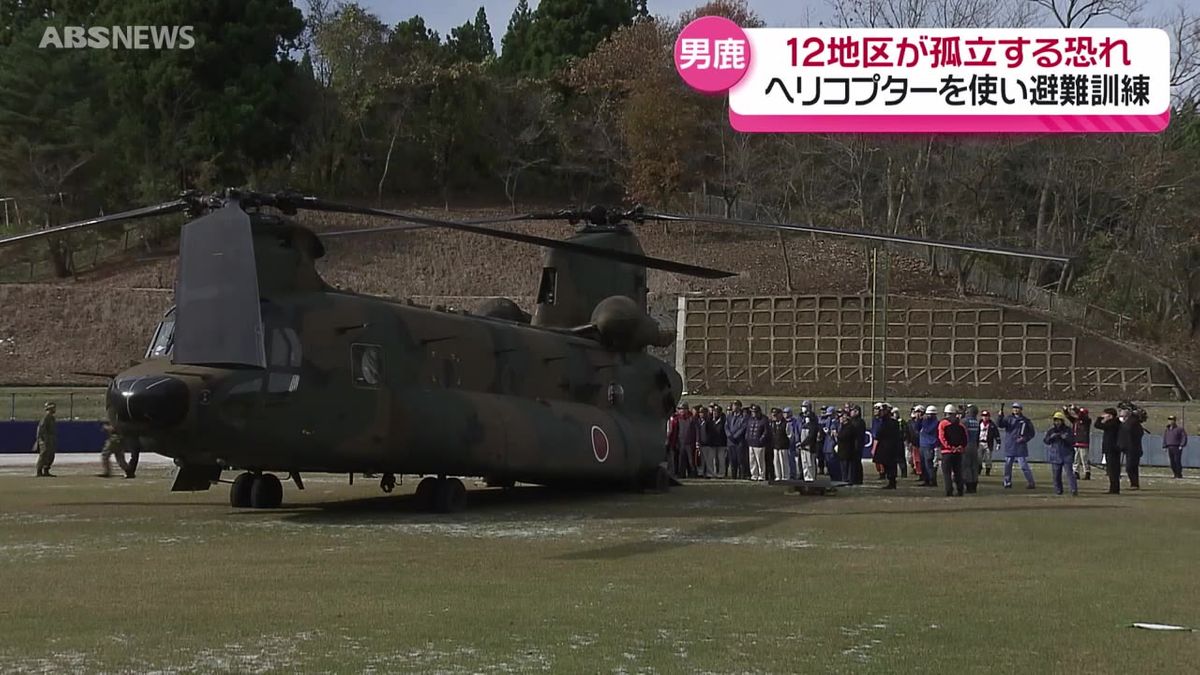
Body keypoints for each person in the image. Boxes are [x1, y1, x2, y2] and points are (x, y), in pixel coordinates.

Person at [998, 402, 1037, 490]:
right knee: (1008, 465)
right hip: (1010, 445)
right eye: (1014, 408)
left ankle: (1031, 482)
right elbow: (1000, 425)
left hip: (1020, 446)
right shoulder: (1008, 419)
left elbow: (1031, 433)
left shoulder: (1026, 421)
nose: (1015, 409)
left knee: (1024, 465)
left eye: (1017, 408)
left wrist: (1024, 439)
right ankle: (1007, 482)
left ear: (1020, 409)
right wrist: (1000, 417)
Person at [1044, 412, 1078, 496]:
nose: (1057, 422)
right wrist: (1052, 437)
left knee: (1069, 473)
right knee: (1056, 475)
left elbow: (1073, 441)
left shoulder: (1068, 430)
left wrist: (1065, 438)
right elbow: (1046, 441)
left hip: (1067, 454)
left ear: (1062, 421)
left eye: (1059, 420)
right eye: (1055, 420)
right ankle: (1058, 490)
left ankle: (1073, 489)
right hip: (1055, 455)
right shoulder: (1051, 431)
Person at [937, 404, 967, 497]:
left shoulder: (943, 423)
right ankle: (960, 490)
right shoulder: (961, 424)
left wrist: (949, 447)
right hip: (958, 452)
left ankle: (949, 491)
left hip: (947, 452)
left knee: (947, 474)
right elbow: (965, 438)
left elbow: (941, 437)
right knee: (958, 472)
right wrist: (960, 447)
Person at [1094, 407, 1123, 494]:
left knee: (1113, 470)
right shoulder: (1115, 423)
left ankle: (1114, 489)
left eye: (1105, 414)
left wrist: (1099, 418)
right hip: (1113, 449)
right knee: (1112, 470)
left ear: (1110, 416)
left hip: (1112, 449)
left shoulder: (1112, 423)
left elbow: (1097, 425)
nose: (1103, 416)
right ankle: (1114, 488)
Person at [874, 404, 902, 489]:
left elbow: (879, 433)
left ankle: (892, 481)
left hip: (888, 447)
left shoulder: (888, 422)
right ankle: (891, 481)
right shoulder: (889, 422)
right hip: (888, 447)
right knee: (889, 464)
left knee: (890, 465)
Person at [1117, 407, 1145, 490]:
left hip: (1133, 448)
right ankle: (1134, 484)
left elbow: (1135, 434)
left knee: (1130, 467)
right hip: (1129, 448)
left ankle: (1134, 484)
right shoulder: (1128, 423)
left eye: (1122, 415)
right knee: (1132, 467)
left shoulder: (1132, 423)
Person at [837, 406, 867, 484]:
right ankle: (854, 479)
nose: (850, 412)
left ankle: (856, 479)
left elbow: (856, 435)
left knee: (855, 464)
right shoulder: (853, 422)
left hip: (856, 446)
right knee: (853, 464)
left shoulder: (858, 422)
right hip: (853, 446)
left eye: (852, 411)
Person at [1064, 406, 1092, 481]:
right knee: (1076, 459)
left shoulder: (1087, 421)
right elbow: (1068, 417)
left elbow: (1082, 416)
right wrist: (1066, 410)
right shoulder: (1075, 421)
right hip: (1076, 442)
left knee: (1084, 459)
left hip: (1083, 442)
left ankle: (1087, 472)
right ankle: (1076, 472)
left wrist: (1075, 408)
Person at [795, 401, 821, 481]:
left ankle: (811, 478)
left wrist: (803, 443)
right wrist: (799, 443)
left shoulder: (813, 423)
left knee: (810, 463)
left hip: (810, 446)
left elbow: (811, 436)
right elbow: (798, 431)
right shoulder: (802, 422)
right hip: (803, 446)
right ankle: (806, 478)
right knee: (804, 463)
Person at [961, 405, 982, 493]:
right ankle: (974, 485)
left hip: (966, 444)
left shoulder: (965, 421)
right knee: (974, 466)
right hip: (974, 445)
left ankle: (969, 486)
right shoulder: (976, 422)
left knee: (966, 466)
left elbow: (962, 433)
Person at [33, 401, 58, 477]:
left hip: (50, 439)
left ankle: (46, 470)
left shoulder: (52, 418)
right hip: (45, 440)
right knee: (44, 455)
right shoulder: (46, 418)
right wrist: (42, 439)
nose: (54, 409)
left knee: (51, 455)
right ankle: (39, 471)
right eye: (53, 408)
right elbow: (41, 429)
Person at [918, 405, 940, 487]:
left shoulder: (935, 422)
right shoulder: (924, 421)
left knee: (929, 464)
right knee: (923, 464)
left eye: (931, 414)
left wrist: (923, 421)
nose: (929, 416)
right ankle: (926, 480)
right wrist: (918, 420)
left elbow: (928, 430)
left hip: (930, 445)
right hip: (922, 444)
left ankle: (932, 480)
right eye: (928, 414)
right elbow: (916, 428)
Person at [746, 405, 770, 481]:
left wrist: (761, 439)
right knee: (752, 460)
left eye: (755, 412)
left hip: (759, 444)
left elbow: (766, 431)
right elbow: (748, 430)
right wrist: (747, 437)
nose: (753, 413)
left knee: (760, 461)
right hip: (751, 443)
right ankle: (754, 475)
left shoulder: (764, 419)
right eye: (752, 412)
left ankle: (761, 475)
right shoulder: (750, 419)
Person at [726, 400, 748, 479]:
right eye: (733, 405)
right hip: (730, 442)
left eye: (735, 405)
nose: (733, 407)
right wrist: (729, 435)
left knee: (740, 461)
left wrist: (735, 436)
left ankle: (742, 476)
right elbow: (726, 427)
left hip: (739, 442)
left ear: (739, 406)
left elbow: (743, 428)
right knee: (732, 461)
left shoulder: (743, 417)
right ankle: (733, 476)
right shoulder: (729, 416)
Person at [770, 408, 793, 482]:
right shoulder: (773, 424)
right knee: (776, 462)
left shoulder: (786, 424)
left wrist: (786, 443)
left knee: (784, 462)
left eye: (776, 415)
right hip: (775, 446)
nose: (775, 417)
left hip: (783, 447)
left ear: (780, 414)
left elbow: (790, 436)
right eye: (774, 415)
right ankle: (778, 476)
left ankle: (785, 476)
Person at [822, 406, 843, 481]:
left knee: (834, 465)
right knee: (828, 465)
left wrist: (831, 432)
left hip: (832, 446)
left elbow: (837, 434)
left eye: (830, 415)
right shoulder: (827, 422)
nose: (829, 417)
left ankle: (837, 479)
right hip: (827, 446)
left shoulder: (837, 422)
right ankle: (833, 478)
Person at [696, 407, 717, 479]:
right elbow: (697, 433)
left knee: (709, 460)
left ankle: (709, 473)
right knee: (701, 460)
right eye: (700, 413)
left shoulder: (709, 422)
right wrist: (698, 441)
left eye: (703, 413)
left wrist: (710, 441)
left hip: (708, 444)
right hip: (701, 443)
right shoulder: (698, 421)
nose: (701, 414)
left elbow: (712, 433)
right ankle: (700, 472)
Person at [978, 410, 1000, 476]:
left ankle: (988, 471)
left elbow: (996, 434)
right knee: (979, 458)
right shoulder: (978, 424)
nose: (985, 417)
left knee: (988, 458)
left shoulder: (992, 425)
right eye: (983, 416)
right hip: (980, 442)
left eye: (986, 416)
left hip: (988, 443)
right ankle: (978, 470)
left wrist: (998, 443)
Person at [710, 403, 728, 478]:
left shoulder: (724, 421)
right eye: (714, 411)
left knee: (721, 459)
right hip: (713, 443)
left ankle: (721, 473)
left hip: (721, 443)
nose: (715, 413)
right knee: (713, 460)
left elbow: (725, 432)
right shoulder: (710, 421)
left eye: (716, 411)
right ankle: (713, 473)